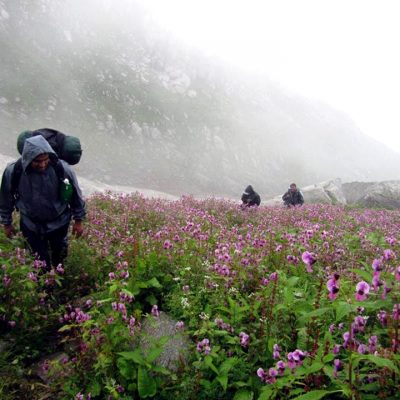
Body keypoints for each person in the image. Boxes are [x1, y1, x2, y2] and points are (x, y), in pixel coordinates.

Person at [0, 135, 86, 270]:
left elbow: (76, 196)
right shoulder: (14, 171)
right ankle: (45, 286)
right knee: (38, 260)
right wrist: (6, 223)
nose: (42, 164)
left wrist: (79, 221)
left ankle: (58, 279)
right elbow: (6, 198)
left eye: (45, 160)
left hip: (59, 222)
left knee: (60, 256)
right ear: (28, 158)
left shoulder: (63, 169)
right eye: (37, 161)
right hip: (30, 225)